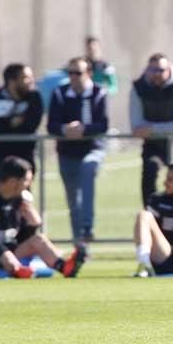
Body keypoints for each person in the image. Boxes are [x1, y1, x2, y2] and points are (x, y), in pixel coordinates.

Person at [0, 156, 85, 278]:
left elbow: (20, 238)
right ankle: (6, 268)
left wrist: (33, 225)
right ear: (12, 181)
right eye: (26, 180)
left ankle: (64, 267)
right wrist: (5, 256)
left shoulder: (23, 199)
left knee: (38, 239)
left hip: (9, 256)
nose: (29, 184)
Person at [47, 57, 109, 247]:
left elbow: (103, 124)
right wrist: (66, 129)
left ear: (88, 73)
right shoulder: (60, 93)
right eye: (70, 73)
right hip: (67, 152)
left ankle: (87, 228)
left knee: (88, 169)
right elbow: (52, 125)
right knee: (74, 201)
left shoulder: (99, 93)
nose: (73, 77)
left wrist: (84, 130)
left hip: (92, 149)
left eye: (78, 73)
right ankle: (80, 247)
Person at [130, 53, 173, 205]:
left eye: (161, 70)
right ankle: (151, 214)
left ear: (169, 70)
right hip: (154, 146)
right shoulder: (138, 88)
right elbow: (137, 126)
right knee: (150, 171)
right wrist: (158, 130)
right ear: (147, 70)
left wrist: (152, 129)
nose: (157, 74)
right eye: (153, 70)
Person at [0, 63, 43, 184]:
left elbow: (30, 126)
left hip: (24, 158)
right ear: (12, 81)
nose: (31, 81)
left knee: (21, 200)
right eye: (26, 78)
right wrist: (10, 122)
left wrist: (2, 126)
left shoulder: (34, 98)